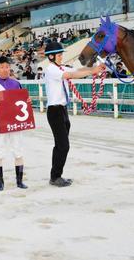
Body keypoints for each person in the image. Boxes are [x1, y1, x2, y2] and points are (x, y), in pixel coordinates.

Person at [44, 42, 105, 187]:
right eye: (59, 55)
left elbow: (78, 69)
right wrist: (92, 71)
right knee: (63, 146)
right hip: (55, 111)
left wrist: (94, 69)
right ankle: (55, 177)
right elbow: (71, 74)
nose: (61, 57)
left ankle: (56, 175)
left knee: (61, 145)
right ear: (51, 56)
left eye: (61, 55)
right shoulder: (51, 69)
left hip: (62, 110)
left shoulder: (59, 67)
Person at [0, 56, 30, 191]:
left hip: (15, 122)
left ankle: (19, 181)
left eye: (7, 67)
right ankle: (0, 183)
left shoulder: (16, 83)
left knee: (18, 151)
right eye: (2, 67)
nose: (5, 69)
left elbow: (23, 101)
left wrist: (28, 101)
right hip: (0, 121)